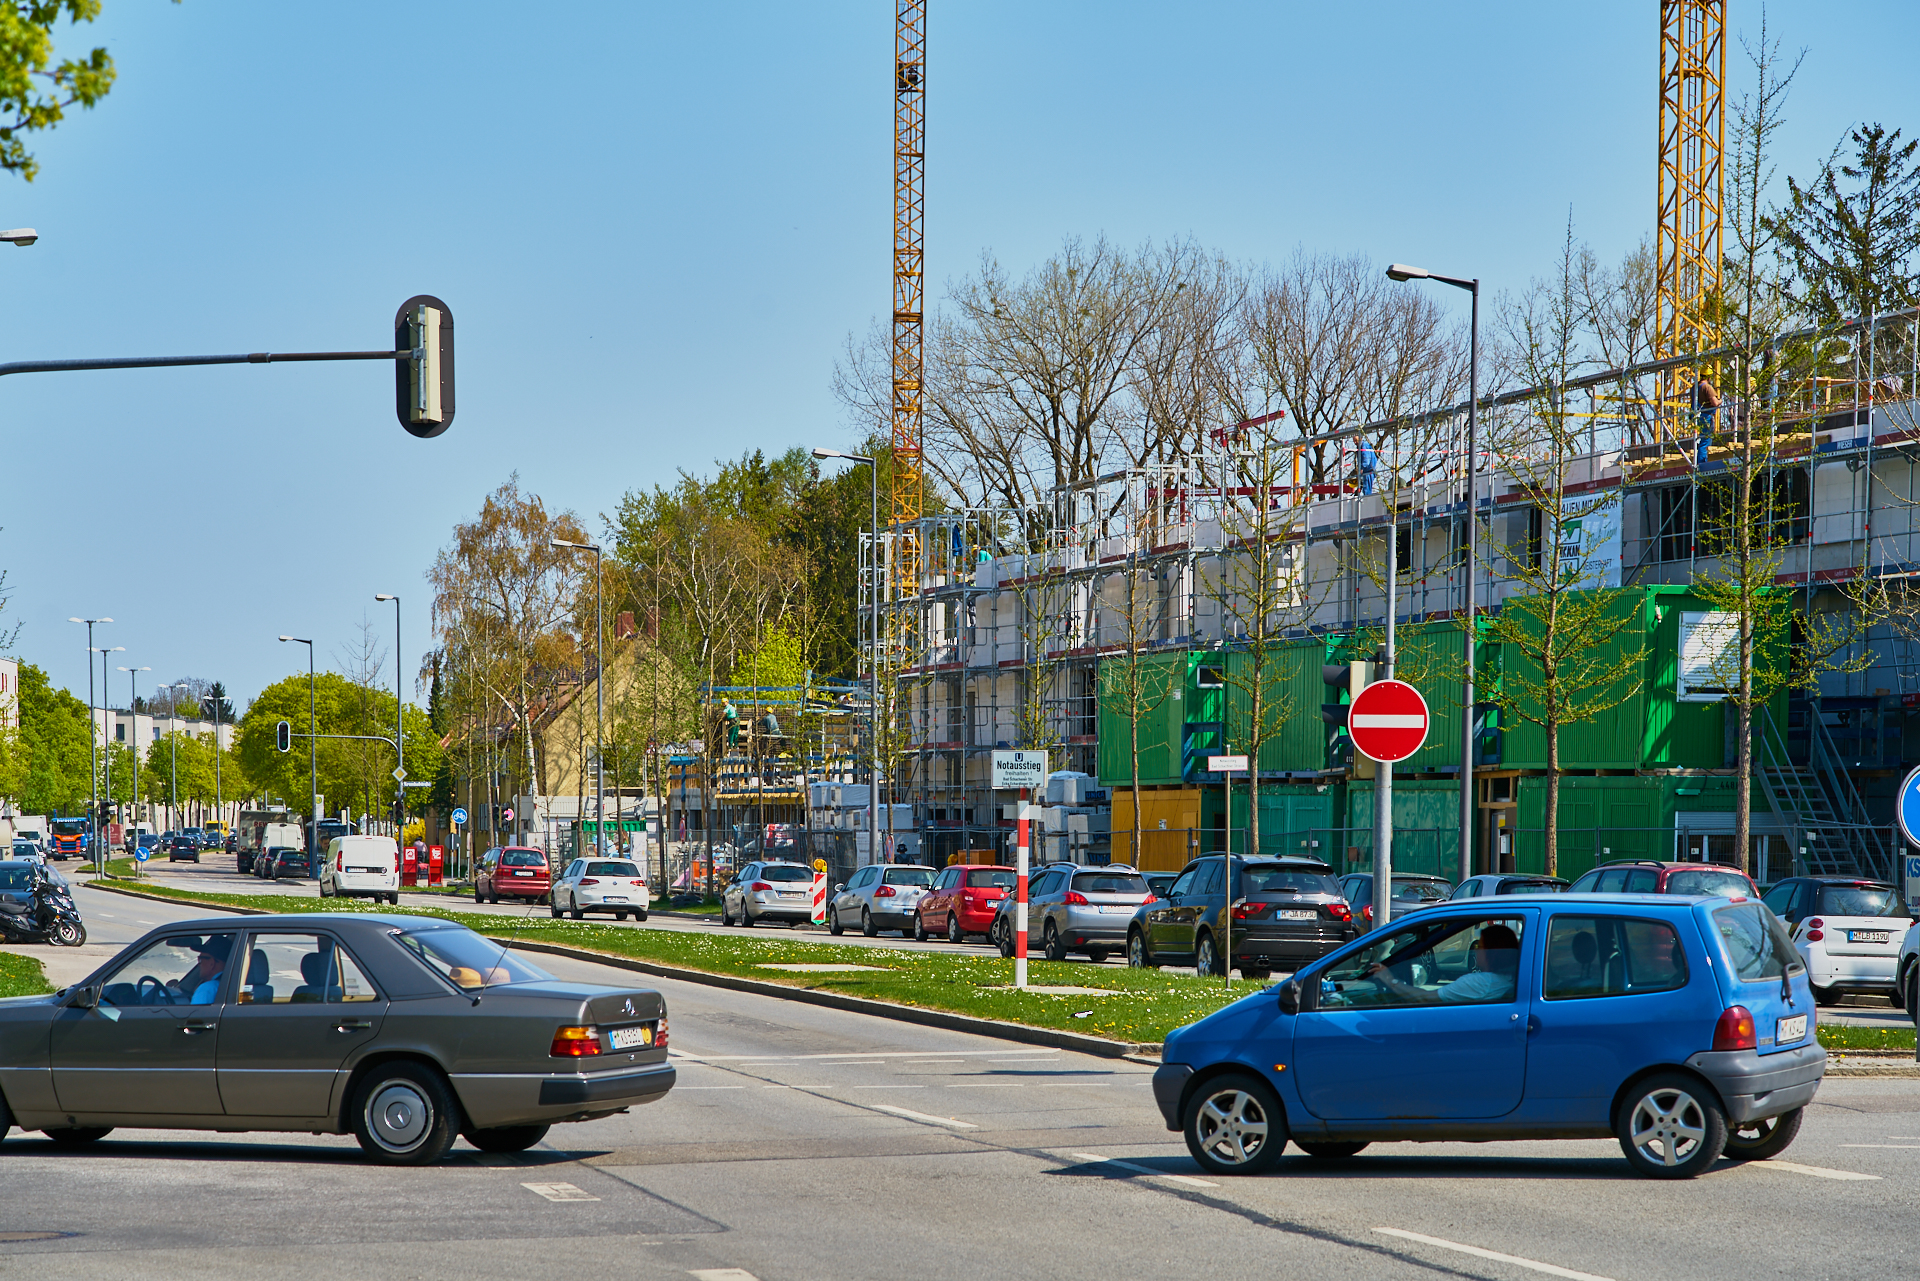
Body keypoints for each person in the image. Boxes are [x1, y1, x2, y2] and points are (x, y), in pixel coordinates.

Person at [1366, 923, 1520, 1004]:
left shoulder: (1481, 983)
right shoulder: (1511, 979)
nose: (1476, 951)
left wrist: (1390, 980)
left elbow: (1425, 998)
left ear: (1492, 952)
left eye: (1480, 946)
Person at [167, 935, 232, 1005]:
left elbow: (194, 1014)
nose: (199, 964)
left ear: (211, 963)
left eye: (200, 959)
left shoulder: (207, 989)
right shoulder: (230, 985)